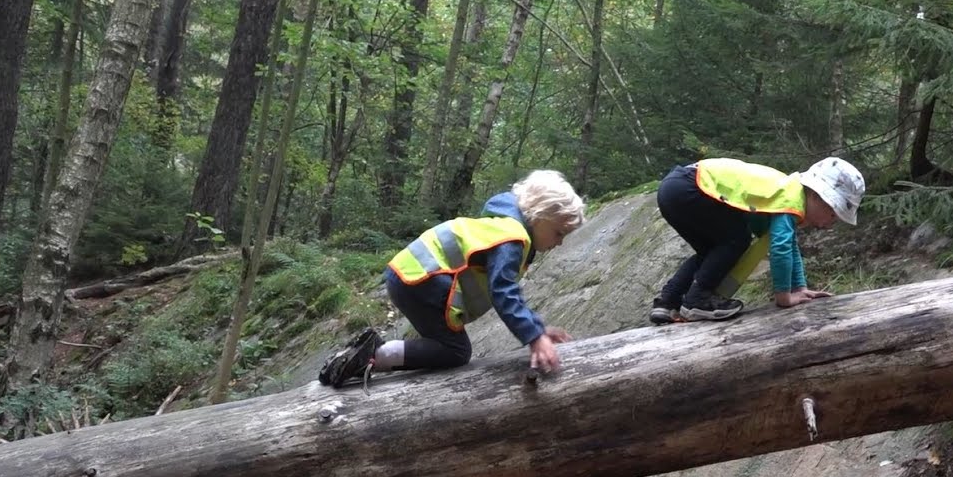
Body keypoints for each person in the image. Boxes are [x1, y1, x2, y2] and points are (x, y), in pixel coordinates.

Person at [319, 170, 585, 388]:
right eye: (559, 233)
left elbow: (505, 291)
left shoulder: (503, 225)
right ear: (540, 216)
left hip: (410, 277)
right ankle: (371, 356)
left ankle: (366, 355)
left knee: (440, 348)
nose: (559, 243)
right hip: (422, 280)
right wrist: (534, 337)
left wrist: (537, 329)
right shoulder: (512, 238)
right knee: (455, 351)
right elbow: (504, 292)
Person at [648, 156, 865, 324]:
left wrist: (799, 288)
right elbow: (780, 249)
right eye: (833, 213)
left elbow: (789, 246)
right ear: (817, 196)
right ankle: (696, 301)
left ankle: (667, 302)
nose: (831, 222)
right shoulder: (791, 198)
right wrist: (783, 297)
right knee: (736, 240)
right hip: (691, 186)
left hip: (675, 188)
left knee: (711, 252)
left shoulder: (782, 194)